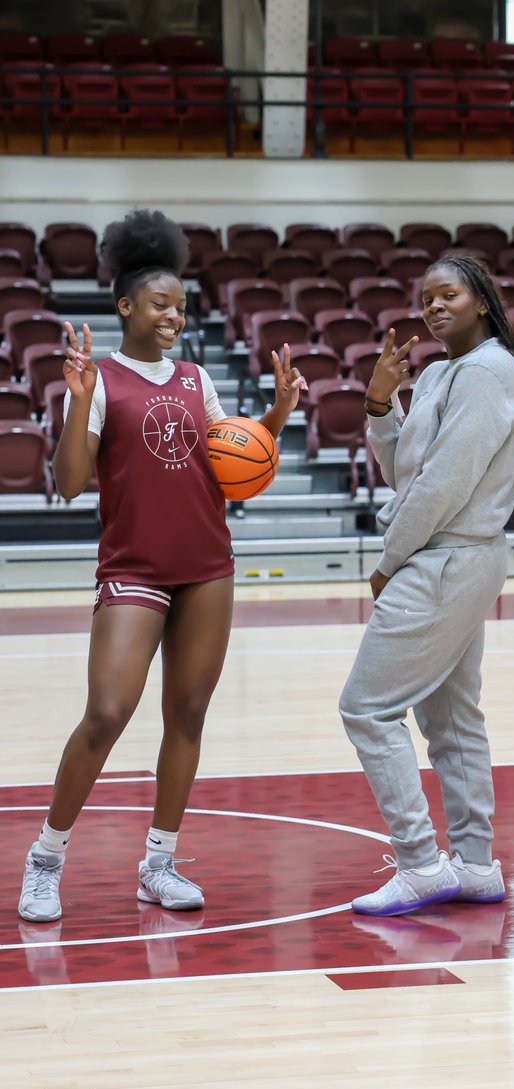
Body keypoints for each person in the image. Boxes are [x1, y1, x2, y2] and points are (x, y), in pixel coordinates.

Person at [18, 209, 304, 923]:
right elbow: (73, 483)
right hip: (134, 568)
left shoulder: (195, 378)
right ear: (125, 306)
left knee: (189, 711)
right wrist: (77, 405)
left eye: (181, 305)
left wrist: (272, 420)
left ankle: (160, 863)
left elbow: (230, 464)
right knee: (106, 713)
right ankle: (46, 859)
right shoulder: (101, 381)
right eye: (161, 303)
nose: (176, 315)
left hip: (207, 564)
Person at [339, 254, 514, 917]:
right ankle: (476, 864)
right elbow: (405, 469)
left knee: (367, 708)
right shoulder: (434, 374)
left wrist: (390, 559)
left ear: (481, 300)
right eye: (425, 298)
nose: (433, 306)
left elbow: (444, 484)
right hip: (448, 556)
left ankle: (422, 862)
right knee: (452, 719)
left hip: (444, 555)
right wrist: (379, 404)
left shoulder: (488, 371)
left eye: (448, 294)